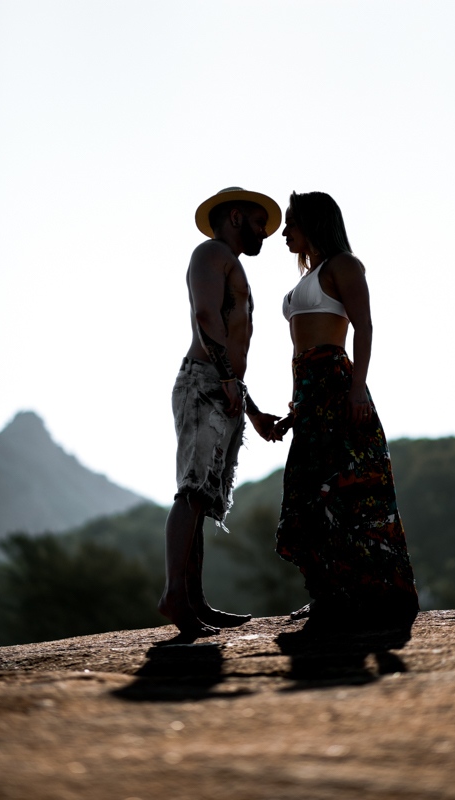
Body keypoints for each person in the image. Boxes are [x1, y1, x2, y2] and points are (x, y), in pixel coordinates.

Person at [274, 190, 419, 632]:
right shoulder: (310, 275)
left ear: (315, 224)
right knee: (309, 494)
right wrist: (295, 411)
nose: (284, 232)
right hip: (311, 395)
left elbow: (365, 325)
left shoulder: (344, 266)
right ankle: (330, 594)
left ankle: (359, 597)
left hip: (339, 387)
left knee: (344, 492)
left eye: (292, 223)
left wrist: (358, 389)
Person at [159, 187, 282, 637]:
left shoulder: (230, 263)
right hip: (205, 382)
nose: (265, 233)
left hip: (221, 383)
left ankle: (194, 600)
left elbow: (228, 341)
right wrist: (228, 378)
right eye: (258, 223)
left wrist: (252, 411)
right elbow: (206, 317)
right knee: (192, 490)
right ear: (235, 216)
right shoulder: (210, 253)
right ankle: (176, 596)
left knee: (206, 495)